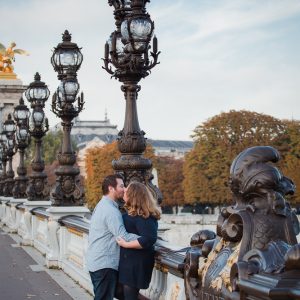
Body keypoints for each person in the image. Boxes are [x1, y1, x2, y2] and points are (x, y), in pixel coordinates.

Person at [86, 174, 139, 300]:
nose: (124, 189)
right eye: (121, 186)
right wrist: (146, 239)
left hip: (97, 261)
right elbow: (123, 236)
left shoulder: (101, 205)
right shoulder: (111, 211)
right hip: (105, 264)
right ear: (111, 188)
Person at [116, 182, 161, 300]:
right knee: (119, 291)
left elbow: (149, 239)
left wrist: (126, 244)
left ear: (133, 195)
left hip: (137, 263)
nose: (124, 190)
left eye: (126, 190)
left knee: (129, 296)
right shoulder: (129, 215)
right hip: (128, 262)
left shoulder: (145, 216)